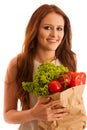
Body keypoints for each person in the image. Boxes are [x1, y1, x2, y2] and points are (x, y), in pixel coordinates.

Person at [4, 4, 85, 130]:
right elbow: (8, 115)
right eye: (47, 28)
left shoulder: (69, 59)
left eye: (59, 28)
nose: (54, 34)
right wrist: (33, 114)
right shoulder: (18, 63)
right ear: (35, 29)